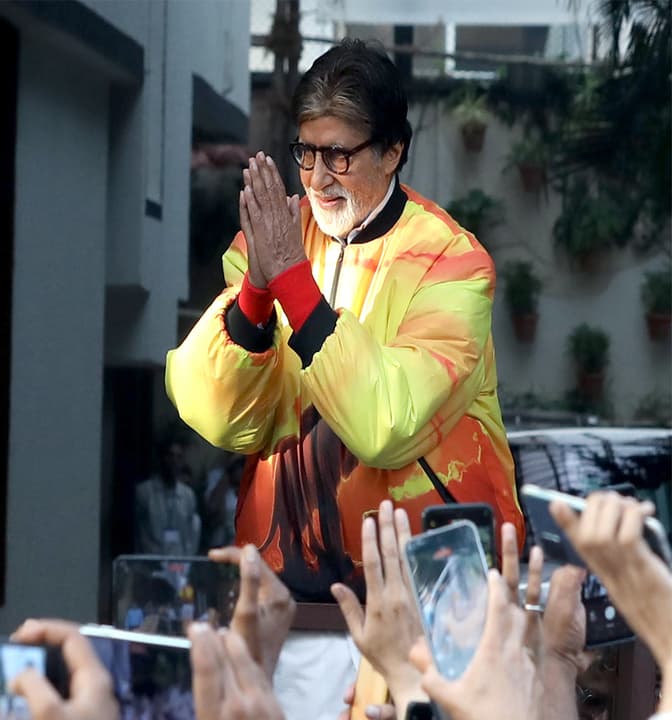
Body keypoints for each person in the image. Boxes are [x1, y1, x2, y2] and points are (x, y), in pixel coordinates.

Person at [166, 38, 524, 596]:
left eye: (339, 155)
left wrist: (292, 281)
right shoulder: (274, 239)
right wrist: (258, 294)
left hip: (427, 601)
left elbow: (387, 426)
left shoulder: (453, 264)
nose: (316, 178)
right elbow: (216, 417)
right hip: (284, 594)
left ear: (393, 151)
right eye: (305, 153)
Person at [134, 440, 201, 556]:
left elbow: (191, 532)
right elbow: (139, 532)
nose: (174, 461)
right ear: (162, 459)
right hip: (151, 559)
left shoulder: (188, 495)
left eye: (178, 457)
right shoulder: (144, 491)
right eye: (170, 456)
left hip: (180, 560)